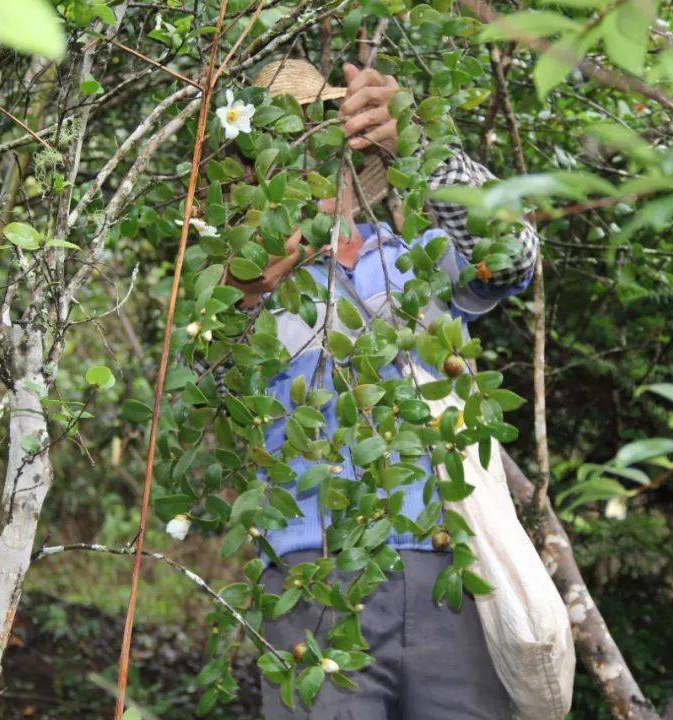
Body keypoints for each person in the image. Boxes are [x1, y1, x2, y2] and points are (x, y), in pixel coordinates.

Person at [221, 58, 540, 719]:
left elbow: (514, 256)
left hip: (450, 576)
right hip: (310, 579)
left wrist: (423, 145)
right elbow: (215, 391)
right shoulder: (230, 280)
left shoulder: (413, 260)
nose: (301, 161)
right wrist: (250, 287)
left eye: (316, 137)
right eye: (278, 145)